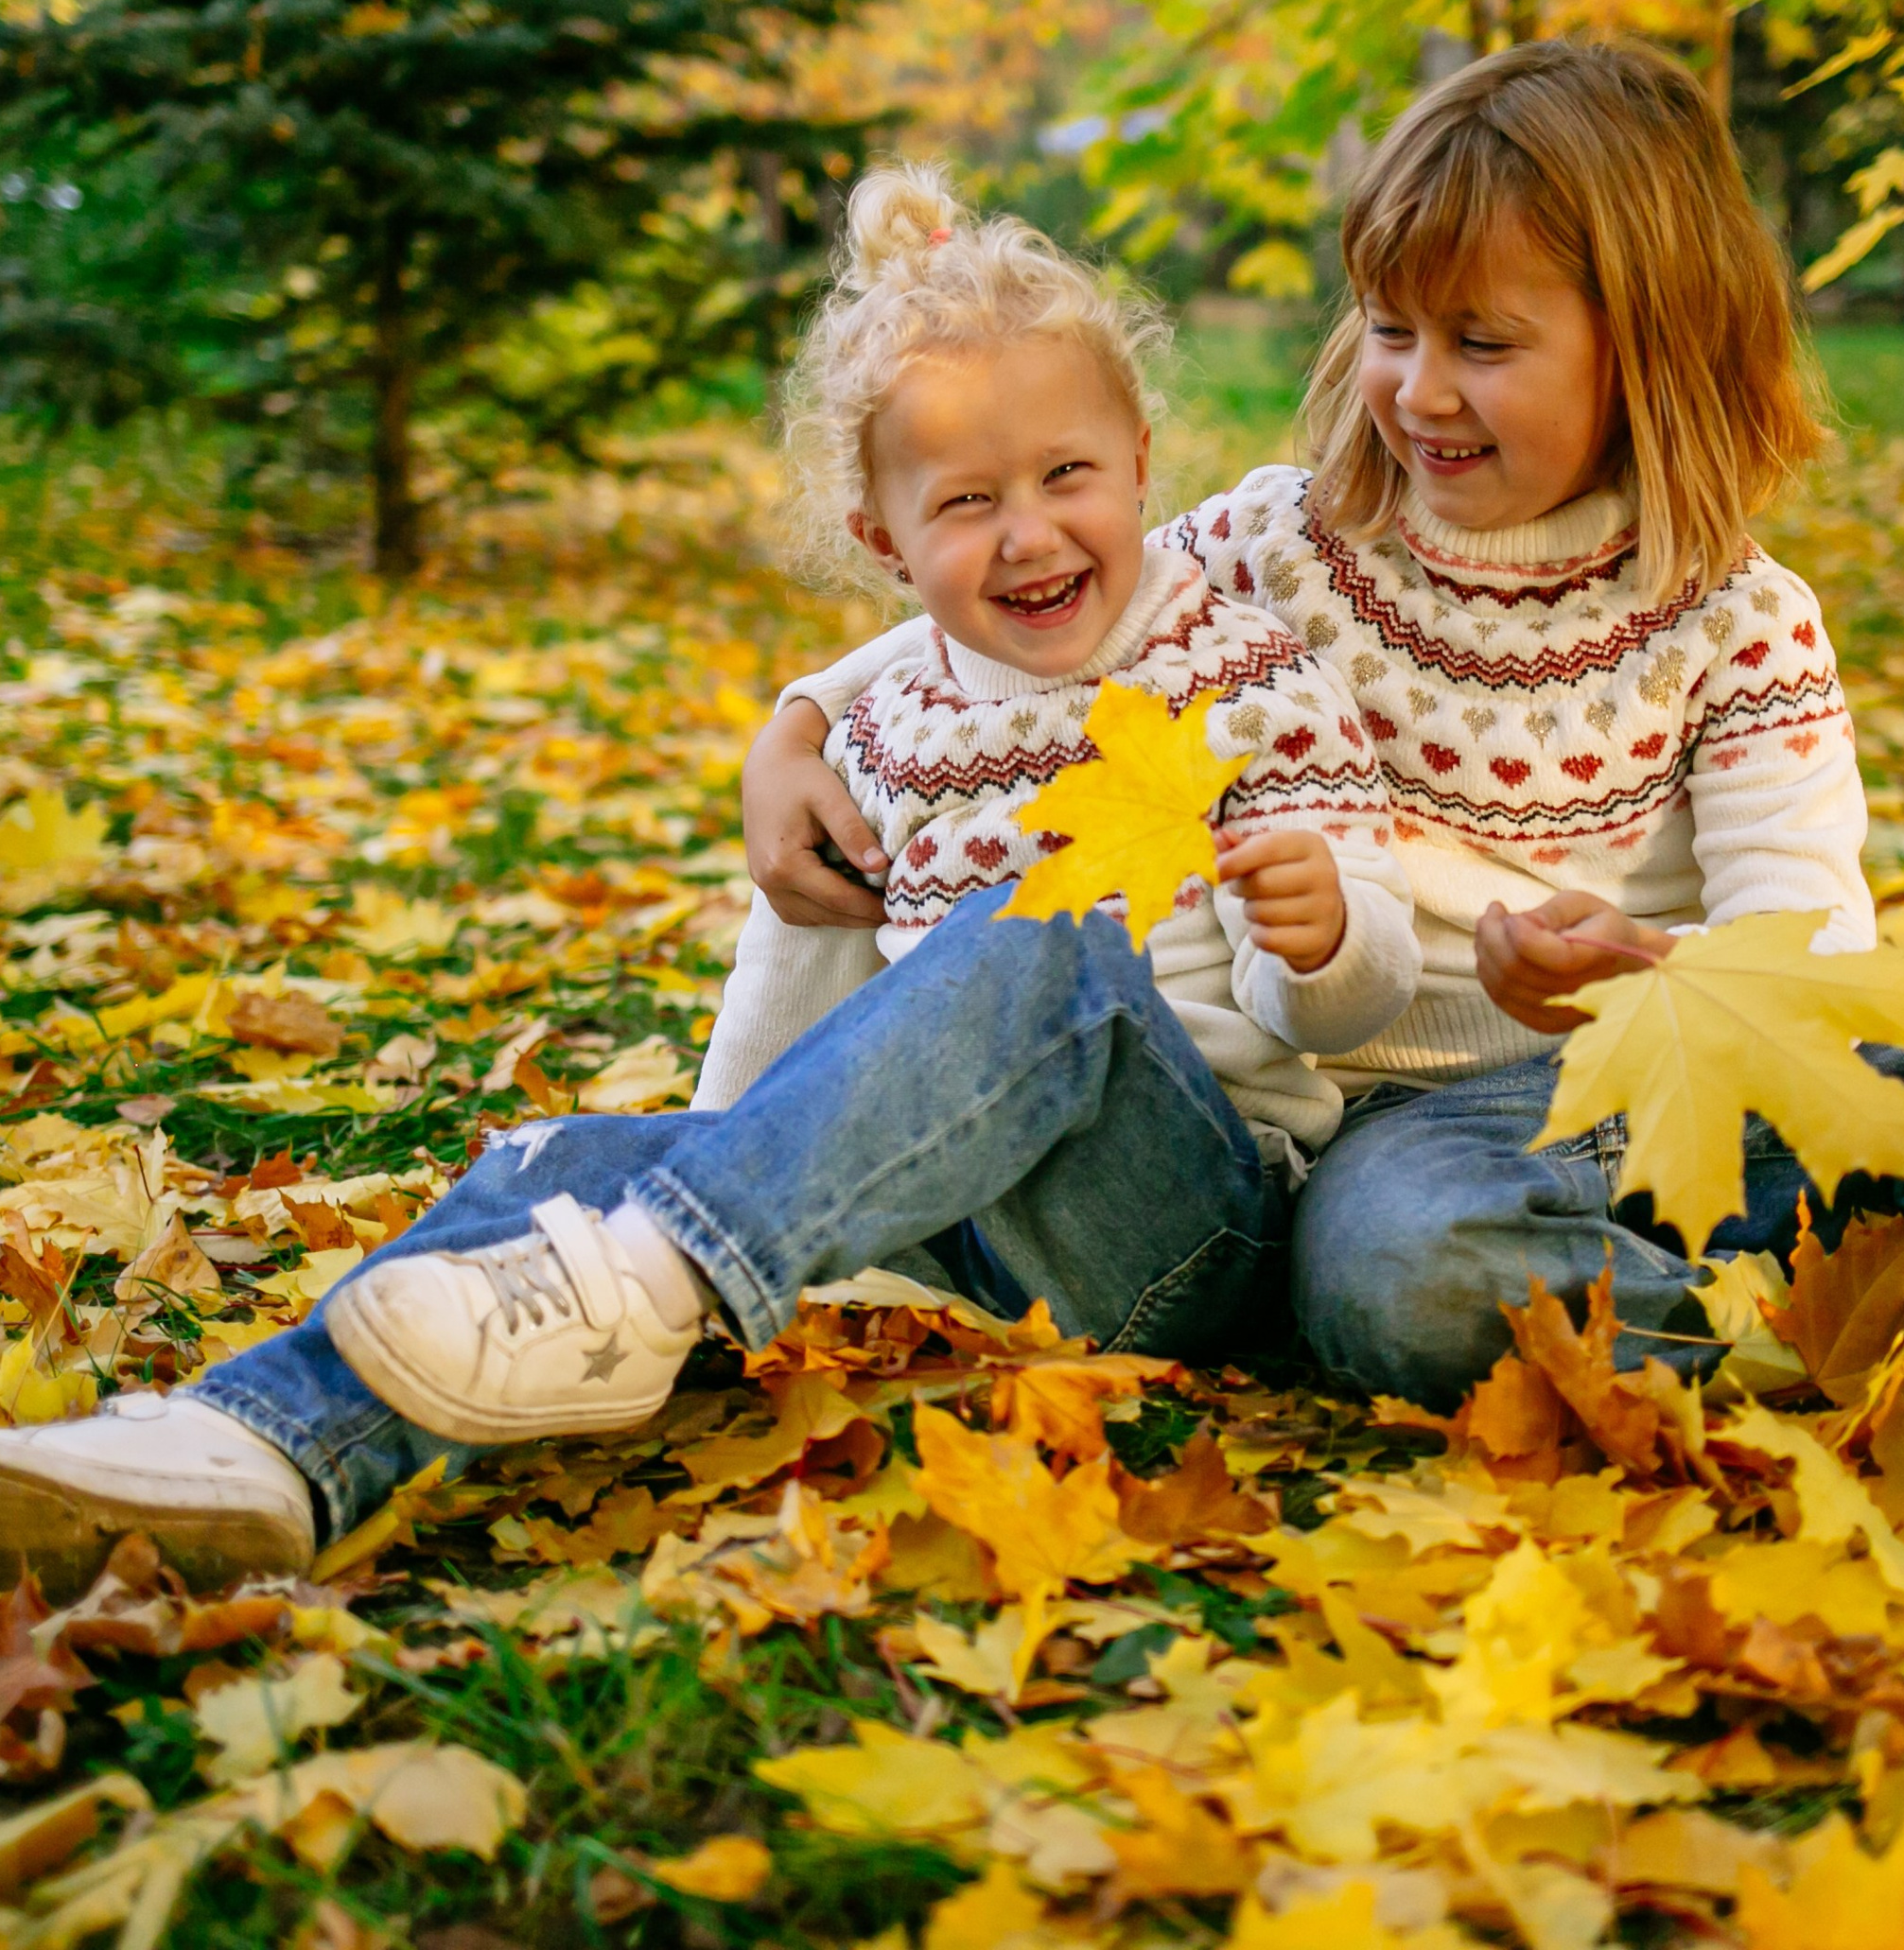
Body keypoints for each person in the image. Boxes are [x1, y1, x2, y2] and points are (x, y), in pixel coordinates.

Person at [744, 40, 1904, 1678]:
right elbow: (1032, 614)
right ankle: (1842, 1315)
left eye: (1484, 341)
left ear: (1654, 348)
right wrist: (801, 728)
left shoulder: (1741, 625)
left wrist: (1647, 980)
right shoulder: (1278, 544)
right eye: (1392, 328)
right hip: (1405, 1133)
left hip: (1693, 1082)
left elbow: (1808, 956)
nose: (1417, 388)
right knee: (1401, 1277)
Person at [0, 167, 1420, 1596]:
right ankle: (263, 1450)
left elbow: (1341, 1008)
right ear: (885, 540)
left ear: (1138, 465)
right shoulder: (882, 730)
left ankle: (654, 1277)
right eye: (969, 501)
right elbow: (798, 975)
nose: (1032, 532)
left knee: (1031, 939)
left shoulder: (1241, 676)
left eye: (1067, 478)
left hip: (1184, 1222)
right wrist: (711, 1156)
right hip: (947, 1231)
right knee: (558, 1166)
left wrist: (1324, 939)